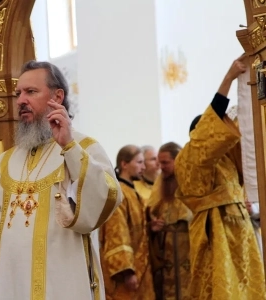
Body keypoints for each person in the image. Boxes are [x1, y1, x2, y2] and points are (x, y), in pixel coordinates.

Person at [0, 60, 122, 300]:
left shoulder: (85, 149)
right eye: (19, 94)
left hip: (62, 289)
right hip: (10, 288)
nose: (20, 101)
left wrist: (69, 147)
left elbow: (102, 201)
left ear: (57, 97)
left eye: (31, 92)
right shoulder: (5, 162)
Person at [174, 55, 266, 299]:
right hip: (216, 237)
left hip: (243, 239)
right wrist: (228, 78)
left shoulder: (226, 160)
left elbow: (248, 137)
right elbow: (209, 134)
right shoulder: (188, 158)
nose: (223, 136)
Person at [100, 145, 155, 300]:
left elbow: (135, 228)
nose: (143, 167)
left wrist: (151, 226)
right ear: (124, 164)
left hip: (141, 268)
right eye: (139, 162)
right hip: (126, 274)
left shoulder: (132, 191)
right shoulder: (119, 194)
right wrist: (127, 272)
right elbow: (117, 233)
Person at [148, 142, 192, 300]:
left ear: (178, 160)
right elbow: (151, 213)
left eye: (165, 163)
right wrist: (152, 228)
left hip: (190, 257)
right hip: (166, 263)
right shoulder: (158, 187)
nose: (161, 167)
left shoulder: (192, 185)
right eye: (159, 163)